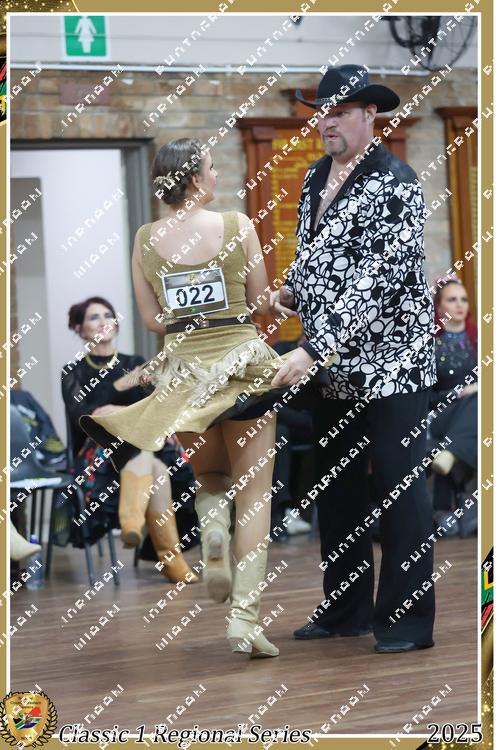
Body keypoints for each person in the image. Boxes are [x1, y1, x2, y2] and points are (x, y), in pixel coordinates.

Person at [79, 138, 297, 658]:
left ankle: (213, 529)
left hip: (184, 378)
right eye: (212, 167)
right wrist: (275, 302)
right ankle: (244, 621)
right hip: (244, 368)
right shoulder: (236, 225)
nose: (217, 175)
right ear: (196, 178)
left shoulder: (145, 239)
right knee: (255, 497)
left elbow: (153, 320)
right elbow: (259, 301)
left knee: (211, 478)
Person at [270, 64, 437, 653]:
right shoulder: (316, 175)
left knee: (399, 491)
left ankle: (408, 623)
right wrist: (291, 291)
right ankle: (346, 612)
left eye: (340, 112)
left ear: (370, 114)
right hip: (335, 369)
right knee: (337, 491)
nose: (327, 122)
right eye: (323, 112)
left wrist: (312, 348)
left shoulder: (397, 182)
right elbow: (317, 257)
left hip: (393, 364)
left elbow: (379, 281)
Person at [62, 295, 199, 584]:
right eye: (94, 317)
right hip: (99, 451)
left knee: (150, 457)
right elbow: (82, 417)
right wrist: (120, 386)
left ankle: (132, 522)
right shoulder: (73, 372)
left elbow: (152, 408)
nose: (103, 322)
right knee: (153, 466)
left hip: (143, 441)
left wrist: (117, 409)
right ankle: (170, 558)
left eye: (108, 315)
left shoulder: (134, 363)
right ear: (80, 328)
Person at [429, 277, 477, 532]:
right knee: (479, 401)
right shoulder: (430, 345)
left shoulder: (480, 339)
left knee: (481, 401)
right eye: (452, 299)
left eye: (464, 299)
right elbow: (426, 398)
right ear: (439, 307)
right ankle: (471, 513)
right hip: (440, 415)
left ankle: (450, 453)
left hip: (475, 417)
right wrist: (458, 392)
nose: (459, 305)